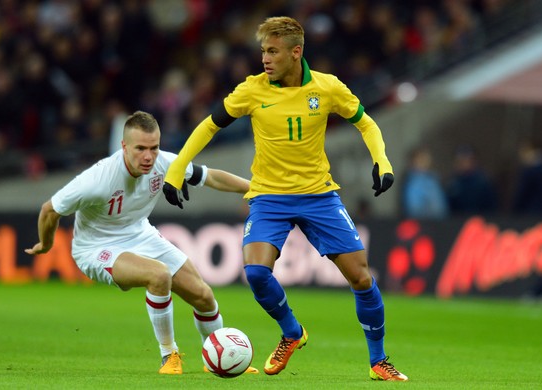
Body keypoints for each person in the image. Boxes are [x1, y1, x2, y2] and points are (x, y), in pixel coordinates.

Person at [163, 16, 408, 381]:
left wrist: (382, 161)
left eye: (273, 52)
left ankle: (378, 361)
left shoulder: (327, 88)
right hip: (269, 197)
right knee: (257, 272)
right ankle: (292, 332)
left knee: (360, 277)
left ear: (296, 52)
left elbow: (366, 122)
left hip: (319, 197)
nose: (265, 59)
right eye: (263, 51)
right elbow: (209, 124)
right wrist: (176, 169)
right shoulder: (251, 90)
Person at [25, 110, 258, 375]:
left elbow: (211, 177)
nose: (148, 156)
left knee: (203, 295)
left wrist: (255, 187)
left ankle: (216, 356)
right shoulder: (96, 180)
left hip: (139, 234)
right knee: (158, 275)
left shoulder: (163, 163)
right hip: (97, 248)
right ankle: (168, 354)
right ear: (124, 146)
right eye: (140, 149)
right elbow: (49, 210)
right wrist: (45, 244)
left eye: (154, 148)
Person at [445, 144, 498, 215]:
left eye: (467, 160)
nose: (464, 164)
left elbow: (492, 208)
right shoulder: (452, 184)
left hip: (480, 221)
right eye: (460, 160)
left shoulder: (483, 182)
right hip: (456, 222)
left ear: (474, 161)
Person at [401, 146, 449, 219]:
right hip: (423, 223)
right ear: (413, 161)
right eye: (421, 159)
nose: (424, 162)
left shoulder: (433, 179)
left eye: (426, 159)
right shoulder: (412, 182)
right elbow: (413, 208)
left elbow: (440, 205)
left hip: (440, 223)